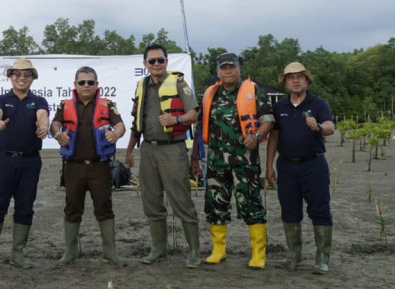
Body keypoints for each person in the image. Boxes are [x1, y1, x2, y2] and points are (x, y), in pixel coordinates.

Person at [191, 52, 274, 269]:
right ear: (218, 71)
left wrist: (256, 136)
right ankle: (218, 250)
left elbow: (268, 121)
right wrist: (195, 158)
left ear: (239, 69)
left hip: (245, 162)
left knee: (251, 204)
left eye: (232, 66)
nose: (228, 70)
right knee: (215, 204)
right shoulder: (211, 94)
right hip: (216, 161)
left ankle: (258, 254)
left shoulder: (254, 91)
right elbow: (200, 128)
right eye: (223, 67)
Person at [124, 44, 201, 268]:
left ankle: (194, 251)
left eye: (160, 60)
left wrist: (175, 120)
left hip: (172, 149)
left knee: (180, 199)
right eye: (152, 61)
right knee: (151, 199)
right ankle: (159, 249)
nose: (156, 64)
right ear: (145, 64)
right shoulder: (142, 85)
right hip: (148, 149)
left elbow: (194, 114)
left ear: (166, 62)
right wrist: (129, 149)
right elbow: (136, 123)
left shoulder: (179, 83)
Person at [50, 66, 127, 267]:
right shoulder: (64, 105)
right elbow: (54, 125)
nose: (86, 86)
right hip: (73, 167)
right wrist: (59, 135)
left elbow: (120, 125)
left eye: (90, 82)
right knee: (72, 208)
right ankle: (70, 252)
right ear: (75, 85)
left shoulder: (107, 104)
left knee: (104, 207)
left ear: (96, 85)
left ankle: (110, 253)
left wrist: (115, 134)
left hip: (99, 167)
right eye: (82, 82)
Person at [0, 58, 50, 271]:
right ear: (10, 77)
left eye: (26, 75)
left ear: (32, 79)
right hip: (4, 160)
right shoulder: (1, 99)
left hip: (30, 161)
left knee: (25, 207)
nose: (21, 78)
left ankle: (18, 253)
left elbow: (43, 116)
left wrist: (44, 127)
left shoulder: (38, 101)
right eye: (17, 74)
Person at [266, 62, 335, 274]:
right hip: (286, 166)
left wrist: (319, 126)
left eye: (300, 77)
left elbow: (330, 127)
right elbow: (274, 136)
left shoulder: (318, 104)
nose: (295, 80)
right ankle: (294, 256)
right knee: (289, 211)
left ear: (307, 80)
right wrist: (269, 166)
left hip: (313, 165)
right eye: (290, 77)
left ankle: (322, 259)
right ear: (285, 82)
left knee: (319, 209)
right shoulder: (279, 107)